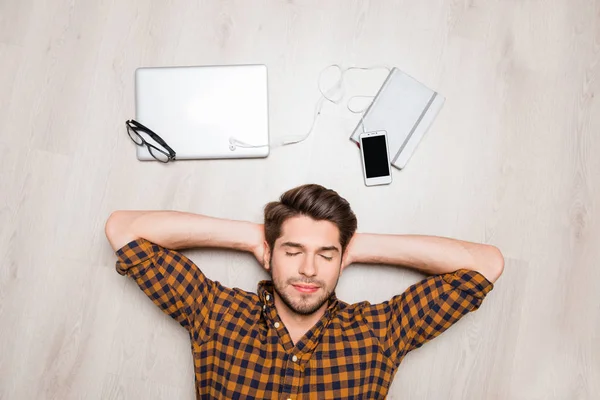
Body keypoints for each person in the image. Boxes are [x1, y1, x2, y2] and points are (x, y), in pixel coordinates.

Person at [105, 184, 504, 399]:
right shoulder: (217, 313)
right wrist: (252, 237)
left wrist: (358, 248)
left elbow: (485, 264)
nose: (309, 270)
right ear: (269, 254)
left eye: (325, 256)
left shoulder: (378, 332)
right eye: (292, 251)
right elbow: (124, 229)